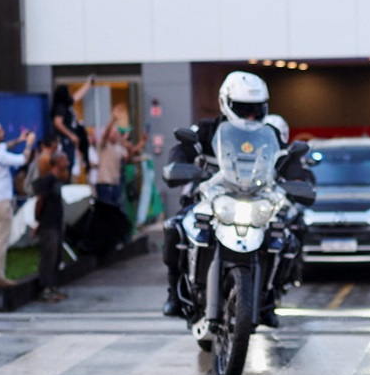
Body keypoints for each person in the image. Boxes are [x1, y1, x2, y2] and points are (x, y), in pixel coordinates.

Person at [162, 70, 308, 322]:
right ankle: (174, 294)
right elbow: (184, 147)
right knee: (175, 227)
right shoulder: (207, 129)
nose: (251, 115)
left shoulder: (269, 134)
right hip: (210, 198)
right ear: (226, 103)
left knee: (285, 238)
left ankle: (269, 299)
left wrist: (297, 179)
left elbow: (287, 159)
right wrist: (179, 165)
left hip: (256, 199)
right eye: (243, 108)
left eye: (257, 108)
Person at [0, 122, 34, 287]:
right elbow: (23, 159)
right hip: (0, 202)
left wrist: (18, 140)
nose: (3, 132)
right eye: (0, 129)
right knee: (1, 240)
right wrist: (29, 143)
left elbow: (1, 146)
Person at [31, 150, 70, 303]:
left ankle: (53, 286)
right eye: (64, 159)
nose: (67, 161)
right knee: (48, 255)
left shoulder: (58, 180)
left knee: (56, 256)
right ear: (57, 162)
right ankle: (44, 288)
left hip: (57, 223)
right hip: (48, 224)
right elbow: (39, 202)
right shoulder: (47, 180)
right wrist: (37, 222)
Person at [93, 112, 130, 206]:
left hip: (115, 184)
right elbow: (105, 134)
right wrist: (113, 120)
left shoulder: (119, 148)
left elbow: (128, 159)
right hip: (104, 183)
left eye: (116, 133)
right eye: (112, 133)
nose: (114, 135)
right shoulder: (103, 146)